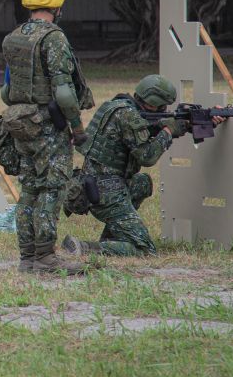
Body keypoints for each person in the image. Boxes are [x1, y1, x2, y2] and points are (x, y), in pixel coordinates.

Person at [0, 0, 94, 275]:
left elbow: (6, 90)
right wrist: (78, 129)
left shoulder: (13, 37)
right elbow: (64, 92)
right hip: (48, 126)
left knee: (29, 189)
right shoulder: (54, 38)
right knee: (52, 188)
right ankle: (45, 258)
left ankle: (27, 257)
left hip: (20, 123)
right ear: (56, 6)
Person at [62, 75, 212, 258]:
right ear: (154, 103)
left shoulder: (115, 106)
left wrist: (190, 124)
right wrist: (167, 132)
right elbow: (147, 157)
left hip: (93, 184)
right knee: (144, 249)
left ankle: (114, 238)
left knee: (143, 183)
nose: (165, 110)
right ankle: (84, 247)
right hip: (107, 193)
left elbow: (143, 129)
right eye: (163, 106)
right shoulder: (128, 115)